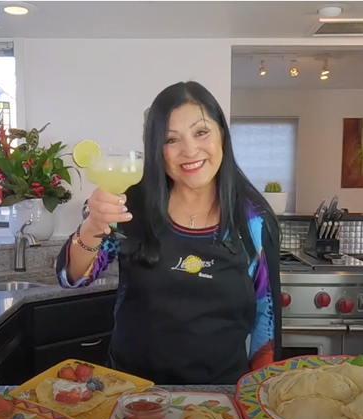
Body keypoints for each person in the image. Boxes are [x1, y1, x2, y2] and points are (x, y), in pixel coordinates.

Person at [55, 81, 281, 385]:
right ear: (156, 150)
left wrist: (257, 397)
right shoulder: (129, 203)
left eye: (201, 132)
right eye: (171, 139)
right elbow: (73, 277)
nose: (189, 150)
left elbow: (266, 320)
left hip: (219, 398)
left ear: (222, 137)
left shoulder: (254, 221)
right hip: (131, 393)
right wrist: (93, 225)